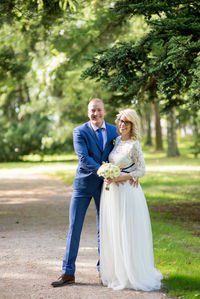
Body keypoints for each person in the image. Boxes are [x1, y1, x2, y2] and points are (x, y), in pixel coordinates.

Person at [51, 98, 118, 287]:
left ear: (104, 111)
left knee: (103, 228)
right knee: (74, 228)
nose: (95, 114)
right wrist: (104, 171)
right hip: (83, 185)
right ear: (88, 113)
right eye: (92, 111)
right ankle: (68, 272)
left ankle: (103, 270)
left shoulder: (114, 131)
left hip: (105, 187)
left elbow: (120, 154)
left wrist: (124, 173)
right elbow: (83, 158)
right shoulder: (79, 131)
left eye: (98, 110)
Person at [100, 108, 163, 291]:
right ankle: (118, 272)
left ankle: (131, 274)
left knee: (127, 231)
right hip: (112, 193)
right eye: (120, 121)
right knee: (115, 230)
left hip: (127, 193)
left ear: (132, 125)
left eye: (126, 122)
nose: (122, 125)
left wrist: (120, 177)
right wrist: (107, 174)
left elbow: (141, 170)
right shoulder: (117, 141)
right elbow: (113, 163)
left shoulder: (134, 145)